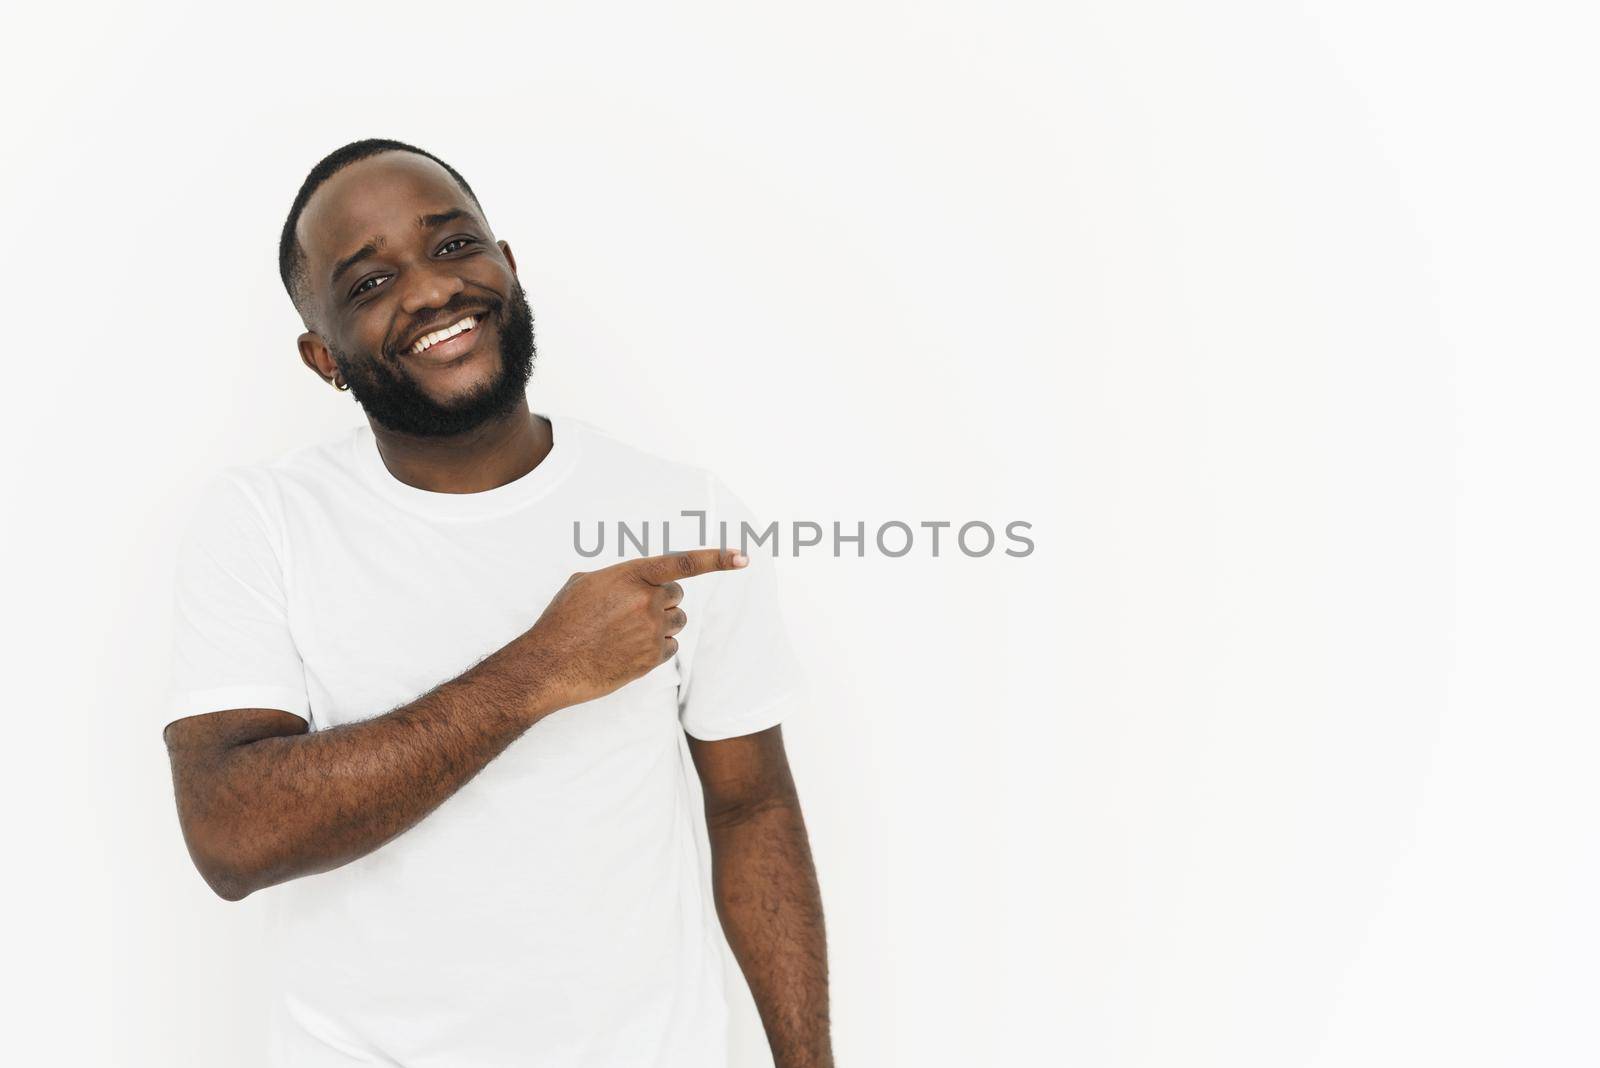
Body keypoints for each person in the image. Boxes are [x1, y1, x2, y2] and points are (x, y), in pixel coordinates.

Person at [160, 139, 833, 1067]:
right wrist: (540, 669)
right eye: (368, 284)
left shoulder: (680, 510)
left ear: (506, 267)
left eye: (452, 247)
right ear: (323, 357)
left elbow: (752, 807)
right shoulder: (264, 522)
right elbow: (228, 835)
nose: (432, 292)